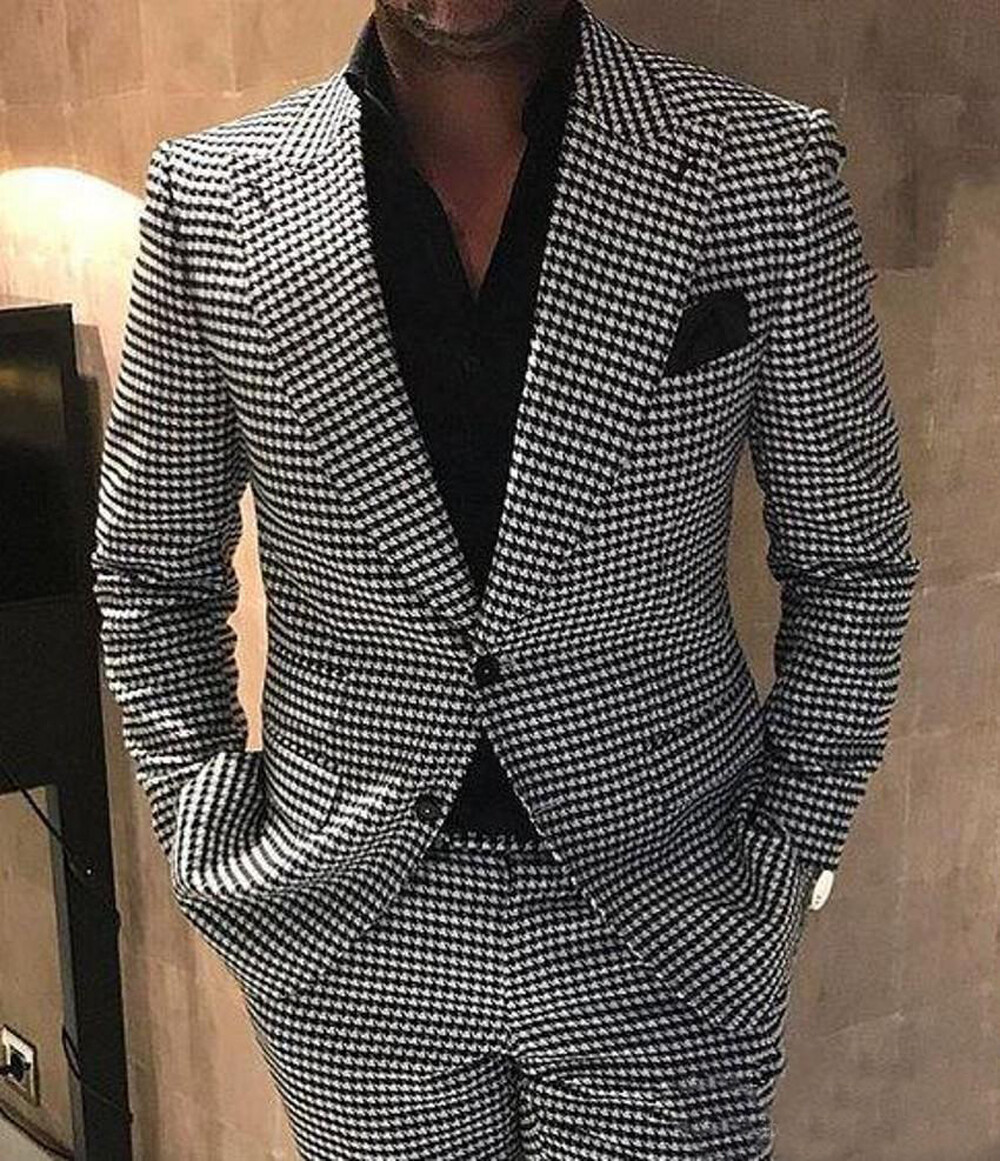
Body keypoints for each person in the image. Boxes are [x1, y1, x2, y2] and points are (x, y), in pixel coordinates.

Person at [90, 0, 921, 1156]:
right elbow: (151, 574)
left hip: (671, 910)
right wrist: (209, 831)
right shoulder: (212, 197)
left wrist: (787, 856)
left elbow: (853, 562)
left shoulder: (758, 167)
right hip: (348, 933)